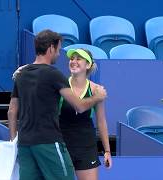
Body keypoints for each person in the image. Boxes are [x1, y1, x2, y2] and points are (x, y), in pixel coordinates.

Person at [7, 29, 107, 180]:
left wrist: (13, 140)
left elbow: (11, 111)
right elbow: (79, 106)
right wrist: (97, 97)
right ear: (51, 48)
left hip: (25, 144)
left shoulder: (21, 74)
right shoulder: (54, 75)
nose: (59, 54)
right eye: (59, 50)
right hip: (49, 142)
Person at [59, 48, 112, 180]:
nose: (74, 61)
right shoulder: (60, 86)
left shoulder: (96, 90)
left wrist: (107, 151)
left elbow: (101, 121)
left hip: (86, 146)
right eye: (72, 59)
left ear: (88, 65)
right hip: (62, 145)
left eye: (78, 59)